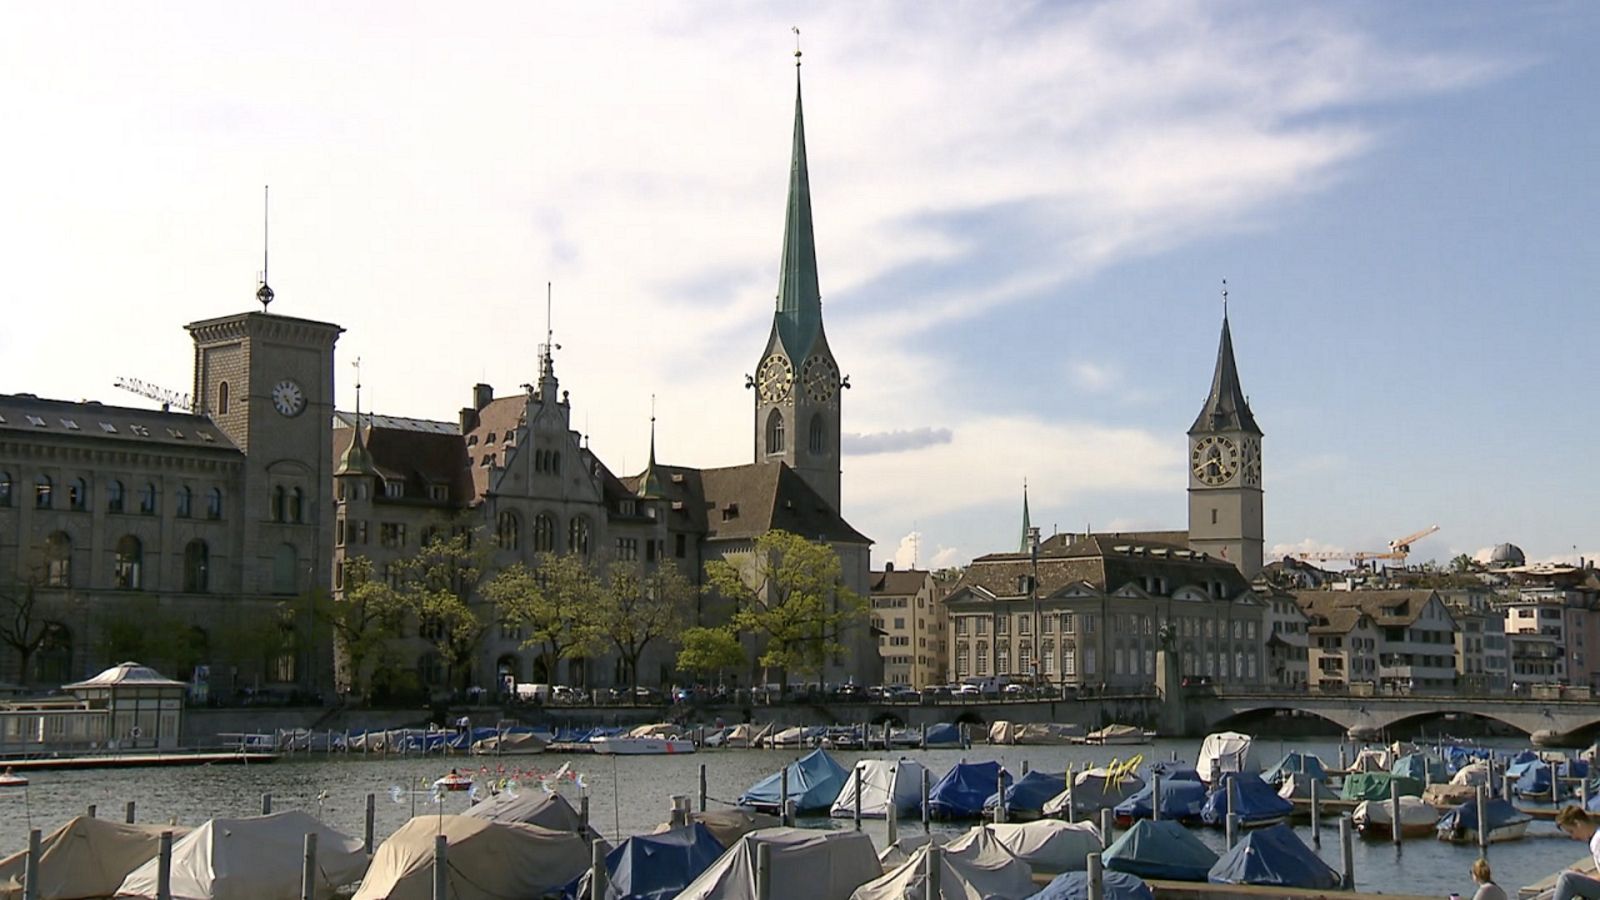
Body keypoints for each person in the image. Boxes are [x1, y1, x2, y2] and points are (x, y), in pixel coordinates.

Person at [1553, 806, 1600, 900]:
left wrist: (1584, 877)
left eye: (1571, 831)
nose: (1573, 837)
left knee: (1567, 879)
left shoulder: (1598, 840)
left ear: (1578, 824)